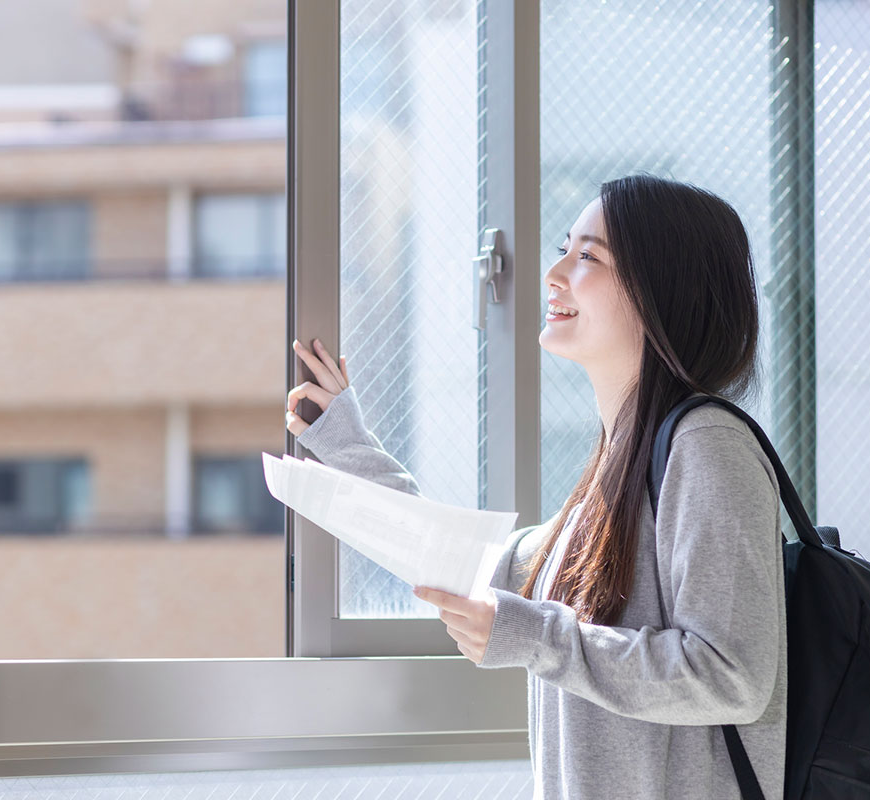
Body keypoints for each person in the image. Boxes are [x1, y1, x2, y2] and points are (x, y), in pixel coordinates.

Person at [284, 173, 787, 800]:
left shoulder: (707, 446)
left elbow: (732, 675)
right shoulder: (615, 471)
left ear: (663, 289)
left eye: (589, 257)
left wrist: (535, 634)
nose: (554, 275)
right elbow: (465, 564)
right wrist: (343, 441)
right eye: (564, 249)